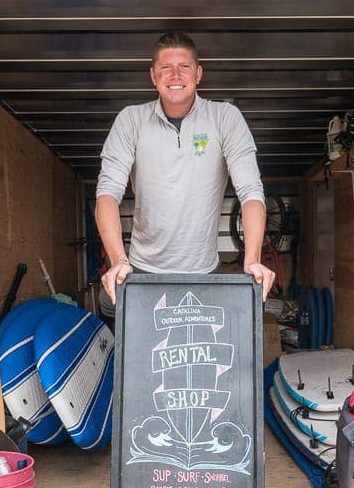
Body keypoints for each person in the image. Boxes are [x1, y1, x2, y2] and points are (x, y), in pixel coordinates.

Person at [95, 32, 276, 302]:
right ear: (153, 76)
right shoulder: (131, 120)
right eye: (165, 68)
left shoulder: (225, 118)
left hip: (203, 272)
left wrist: (252, 260)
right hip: (143, 272)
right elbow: (107, 193)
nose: (175, 75)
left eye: (184, 67)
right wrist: (118, 261)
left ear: (198, 73)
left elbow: (250, 191)